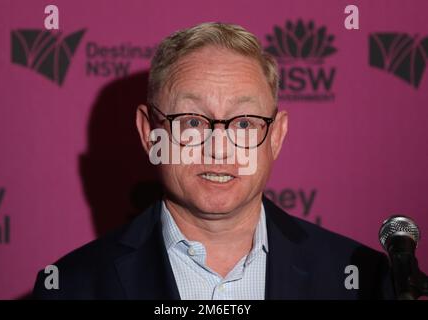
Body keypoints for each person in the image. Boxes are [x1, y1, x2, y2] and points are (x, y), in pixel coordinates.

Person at [33, 22, 394, 299]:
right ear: (149, 133)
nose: (218, 148)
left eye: (244, 123)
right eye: (191, 122)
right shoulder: (72, 286)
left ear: (277, 136)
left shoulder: (361, 279)